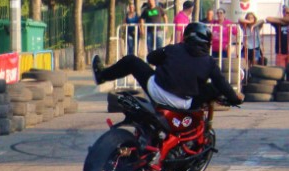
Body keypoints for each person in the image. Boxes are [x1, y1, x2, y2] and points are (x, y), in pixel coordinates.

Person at [91, 22, 242, 113]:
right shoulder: (209, 62)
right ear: (207, 43)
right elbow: (222, 83)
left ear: (187, 37)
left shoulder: (173, 49)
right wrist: (235, 99)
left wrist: (167, 59)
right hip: (183, 104)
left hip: (157, 92)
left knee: (131, 61)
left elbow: (150, 58)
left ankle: (102, 75)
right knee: (212, 88)